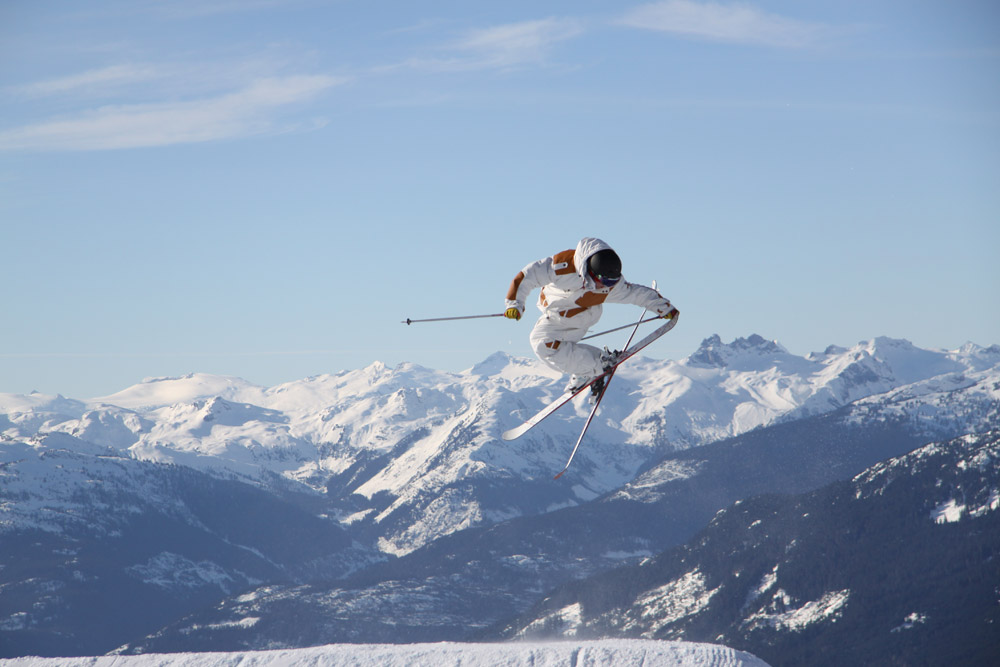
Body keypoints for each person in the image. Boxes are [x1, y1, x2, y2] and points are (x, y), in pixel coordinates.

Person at [504, 237, 678, 394]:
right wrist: (515, 304)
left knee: (541, 343)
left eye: (612, 281)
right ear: (590, 271)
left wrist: (663, 307)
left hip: (582, 316)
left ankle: (595, 365)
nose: (607, 285)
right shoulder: (562, 267)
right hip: (555, 314)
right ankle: (586, 370)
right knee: (551, 347)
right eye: (605, 280)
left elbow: (636, 293)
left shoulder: (610, 285)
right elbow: (527, 276)